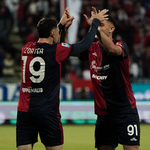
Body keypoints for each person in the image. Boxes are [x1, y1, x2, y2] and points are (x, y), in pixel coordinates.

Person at [16, 7, 108, 150]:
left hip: (24, 111)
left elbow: (46, 40)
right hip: (47, 112)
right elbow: (85, 45)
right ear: (53, 33)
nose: (59, 34)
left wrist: (60, 25)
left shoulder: (26, 48)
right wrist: (95, 23)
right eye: (57, 32)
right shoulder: (56, 50)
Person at [79, 7, 140, 150]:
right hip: (104, 115)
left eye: (102, 25)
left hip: (125, 112)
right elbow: (70, 50)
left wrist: (95, 25)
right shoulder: (91, 48)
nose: (98, 27)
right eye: (98, 25)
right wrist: (65, 28)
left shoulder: (120, 45)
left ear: (111, 29)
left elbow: (112, 50)